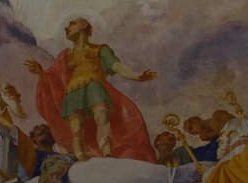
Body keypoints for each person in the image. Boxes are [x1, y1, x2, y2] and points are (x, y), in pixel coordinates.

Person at [26, 17, 157, 163]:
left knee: (102, 117)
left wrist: (137, 76)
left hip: (94, 87)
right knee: (76, 129)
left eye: (72, 23)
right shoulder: (65, 55)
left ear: (83, 25)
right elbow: (54, 79)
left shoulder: (100, 50)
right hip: (73, 92)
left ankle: (107, 153)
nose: (66, 27)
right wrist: (41, 73)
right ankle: (82, 159)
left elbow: (117, 67)